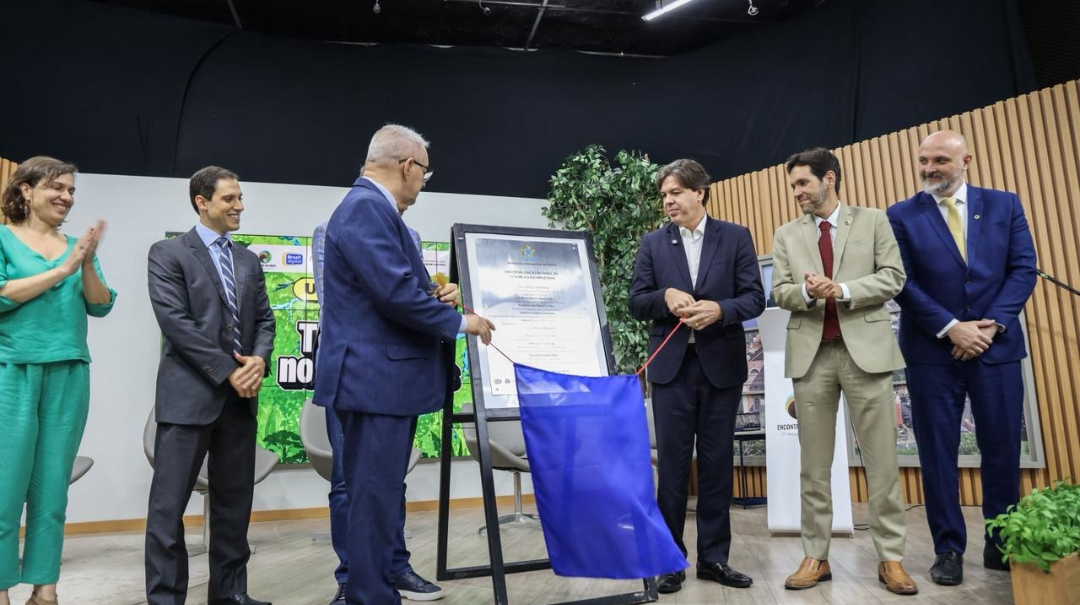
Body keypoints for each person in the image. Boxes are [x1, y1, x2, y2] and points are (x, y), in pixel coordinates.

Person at [313, 124, 494, 605]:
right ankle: (370, 596)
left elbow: (389, 291)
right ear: (409, 166)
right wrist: (460, 321)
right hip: (376, 381)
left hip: (381, 379)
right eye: (424, 173)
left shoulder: (369, 209)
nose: (422, 183)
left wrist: (436, 295)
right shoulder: (367, 208)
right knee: (371, 497)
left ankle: (373, 590)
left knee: (376, 493)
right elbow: (394, 295)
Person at [886, 130, 1037, 586]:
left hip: (996, 347)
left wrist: (991, 325)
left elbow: (1023, 268)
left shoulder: (1004, 205)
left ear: (966, 160)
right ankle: (948, 549)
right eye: (923, 160)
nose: (929, 169)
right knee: (937, 454)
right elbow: (902, 282)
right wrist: (952, 327)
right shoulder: (900, 215)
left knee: (1002, 449)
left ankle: (1000, 541)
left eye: (940, 161)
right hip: (932, 351)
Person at [771, 148, 917, 595]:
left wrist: (844, 288)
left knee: (881, 464)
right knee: (813, 467)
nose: (796, 192)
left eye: (803, 183)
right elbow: (779, 291)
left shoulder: (872, 220)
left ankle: (890, 559)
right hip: (812, 357)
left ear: (828, 179)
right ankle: (816, 556)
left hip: (866, 354)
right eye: (793, 185)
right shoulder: (786, 234)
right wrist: (808, 292)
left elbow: (894, 277)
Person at [628, 159, 764, 594]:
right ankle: (670, 561)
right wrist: (665, 297)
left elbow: (754, 298)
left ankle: (714, 559)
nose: (668, 202)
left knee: (716, 466)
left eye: (676, 193)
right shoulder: (652, 243)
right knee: (671, 468)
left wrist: (721, 310)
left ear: (700, 192)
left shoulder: (736, 236)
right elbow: (636, 301)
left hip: (721, 367)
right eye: (664, 195)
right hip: (670, 371)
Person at [145, 166, 276, 605]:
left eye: (240, 198)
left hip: (240, 404)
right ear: (202, 202)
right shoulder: (167, 254)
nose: (239, 206)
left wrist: (258, 359)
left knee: (233, 507)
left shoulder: (247, 259)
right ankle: (166, 599)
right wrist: (229, 370)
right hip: (188, 401)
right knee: (168, 510)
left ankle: (230, 594)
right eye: (229, 199)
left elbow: (266, 320)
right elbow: (177, 325)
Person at [0, 157, 115, 605]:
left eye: (71, 190)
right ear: (25, 191)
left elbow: (102, 304)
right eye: (57, 187)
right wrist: (62, 271)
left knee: (52, 489)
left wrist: (84, 263)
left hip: (69, 372)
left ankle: (45, 588)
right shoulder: (4, 239)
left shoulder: (76, 246)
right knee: (6, 487)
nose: (66, 197)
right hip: (12, 372)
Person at [312, 214, 443, 604]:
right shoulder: (335, 229)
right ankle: (352, 576)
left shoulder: (412, 236)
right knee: (347, 482)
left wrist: (439, 298)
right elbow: (340, 303)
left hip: (397, 373)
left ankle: (395, 567)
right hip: (356, 373)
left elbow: (413, 297)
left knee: (389, 479)